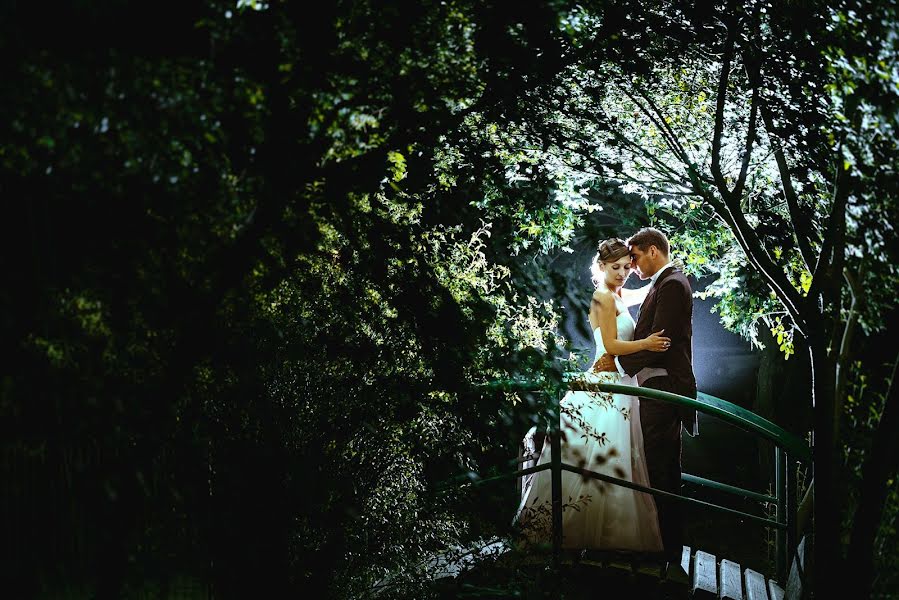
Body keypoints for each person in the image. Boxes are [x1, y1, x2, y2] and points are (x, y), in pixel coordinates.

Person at [514, 238, 668, 552]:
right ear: (600, 268)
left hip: (620, 385)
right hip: (605, 385)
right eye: (616, 268)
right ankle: (579, 536)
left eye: (627, 267)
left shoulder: (618, 293)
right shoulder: (602, 297)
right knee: (600, 460)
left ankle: (611, 534)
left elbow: (646, 291)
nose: (623, 273)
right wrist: (647, 344)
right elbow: (611, 347)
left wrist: (665, 271)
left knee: (617, 460)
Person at [593, 226, 698, 561]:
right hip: (650, 388)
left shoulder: (671, 284)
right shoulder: (661, 285)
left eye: (634, 259)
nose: (631, 269)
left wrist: (620, 365)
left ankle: (664, 550)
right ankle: (659, 545)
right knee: (653, 467)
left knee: (658, 469)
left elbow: (660, 342)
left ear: (653, 250)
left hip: (662, 388)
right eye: (622, 265)